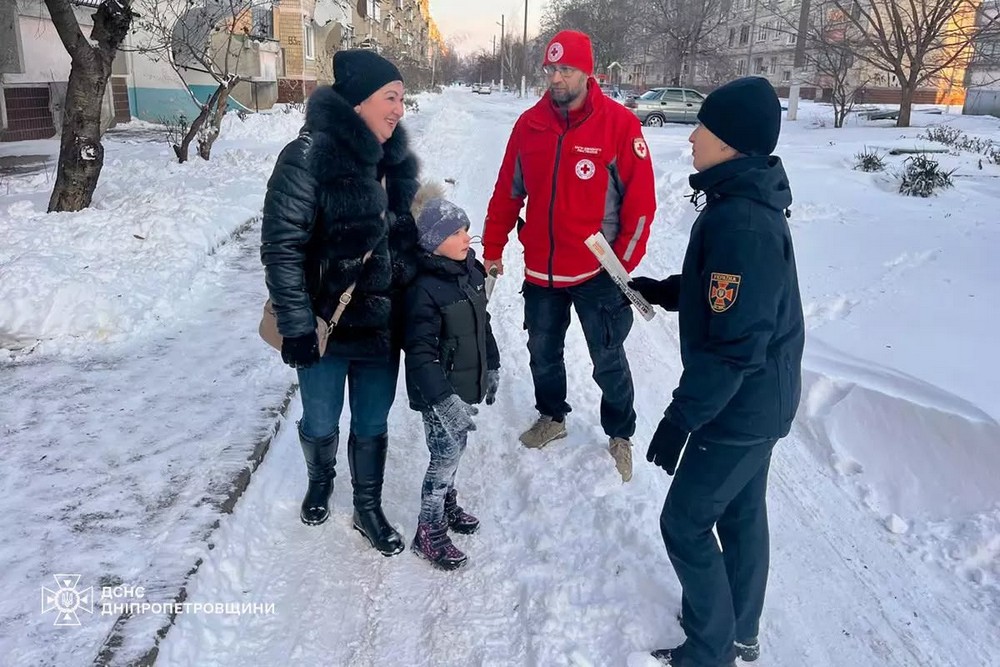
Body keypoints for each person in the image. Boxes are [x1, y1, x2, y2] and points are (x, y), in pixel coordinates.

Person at [628, 77, 805, 667]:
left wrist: (682, 418)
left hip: (740, 405)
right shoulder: (740, 203)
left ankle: (710, 652)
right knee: (742, 512)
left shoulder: (743, 223)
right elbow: (725, 296)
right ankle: (739, 629)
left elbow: (735, 346)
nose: (694, 134)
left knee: (683, 522)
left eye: (705, 125)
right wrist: (666, 289)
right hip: (759, 400)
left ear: (731, 143)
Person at [260, 49, 420, 557]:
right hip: (324, 327)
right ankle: (321, 479)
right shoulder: (307, 156)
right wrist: (297, 324)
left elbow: (406, 241)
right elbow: (282, 246)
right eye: (390, 98)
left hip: (380, 329)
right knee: (322, 421)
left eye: (402, 99)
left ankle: (368, 507)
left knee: (373, 422)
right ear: (357, 103)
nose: (399, 109)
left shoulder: (396, 165)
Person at [482, 29, 656, 482]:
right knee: (542, 350)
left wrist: (622, 266)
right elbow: (507, 193)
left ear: (588, 72)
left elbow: (640, 205)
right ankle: (552, 417)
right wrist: (494, 248)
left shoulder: (619, 125)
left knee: (608, 357)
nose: (556, 78)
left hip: (597, 272)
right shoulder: (529, 125)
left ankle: (620, 433)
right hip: (541, 268)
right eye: (551, 69)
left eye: (567, 70)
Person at [403, 195, 501, 570]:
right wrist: (444, 401)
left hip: (463, 386)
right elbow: (420, 354)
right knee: (444, 456)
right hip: (437, 394)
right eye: (456, 232)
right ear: (431, 241)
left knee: (455, 449)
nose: (466, 238)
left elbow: (483, 324)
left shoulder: (470, 274)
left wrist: (491, 364)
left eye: (467, 230)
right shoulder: (423, 290)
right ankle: (428, 530)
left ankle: (445, 504)